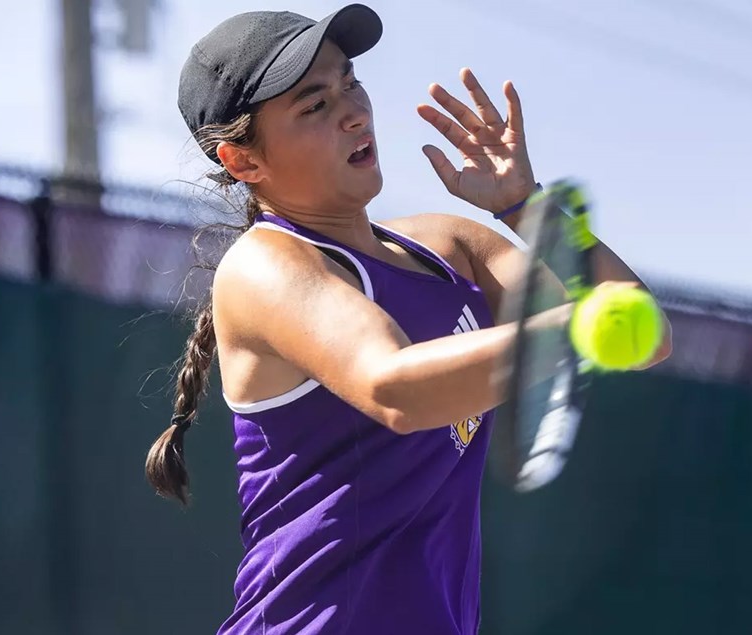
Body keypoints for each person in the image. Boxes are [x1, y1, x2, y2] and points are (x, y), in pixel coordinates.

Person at [146, 4, 672, 633]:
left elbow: (644, 337)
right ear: (243, 162)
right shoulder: (263, 266)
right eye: (314, 105)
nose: (353, 112)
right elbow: (395, 387)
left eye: (350, 82)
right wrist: (576, 331)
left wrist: (525, 206)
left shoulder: (452, 245)